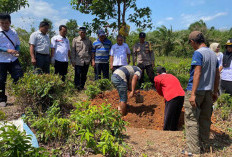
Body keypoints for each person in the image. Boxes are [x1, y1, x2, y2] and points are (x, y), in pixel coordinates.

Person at [182, 31, 219, 156]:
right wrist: (215, 91)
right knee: (205, 119)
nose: (191, 45)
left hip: (197, 91)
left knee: (191, 119)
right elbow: (217, 75)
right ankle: (204, 146)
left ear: (193, 42)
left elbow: (197, 72)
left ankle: (193, 150)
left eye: (191, 43)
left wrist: (192, 94)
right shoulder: (213, 54)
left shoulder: (198, 53)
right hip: (208, 91)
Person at [0, 13, 23, 107]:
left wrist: (17, 51)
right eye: (2, 23)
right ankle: (2, 99)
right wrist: (7, 50)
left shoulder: (14, 32)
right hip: (1, 60)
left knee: (20, 77)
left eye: (6, 23)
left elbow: (18, 44)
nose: (4, 25)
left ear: (10, 22)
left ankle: (21, 96)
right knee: (1, 81)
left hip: (13, 60)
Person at [154, 66, 185, 131]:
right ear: (166, 72)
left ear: (157, 73)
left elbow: (159, 90)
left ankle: (166, 132)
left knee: (168, 116)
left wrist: (164, 96)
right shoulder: (172, 76)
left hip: (171, 96)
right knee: (176, 114)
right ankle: (174, 129)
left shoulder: (157, 78)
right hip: (182, 95)